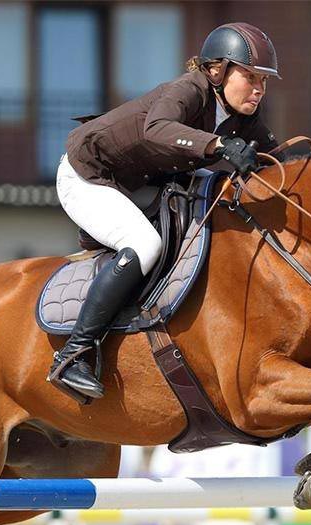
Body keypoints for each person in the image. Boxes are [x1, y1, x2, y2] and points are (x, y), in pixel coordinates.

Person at [49, 22, 283, 401]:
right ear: (217, 70)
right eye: (251, 76)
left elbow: (283, 160)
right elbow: (157, 128)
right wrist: (221, 146)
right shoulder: (189, 89)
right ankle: (73, 354)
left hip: (137, 180)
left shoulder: (243, 118)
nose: (259, 88)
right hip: (87, 174)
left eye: (264, 81)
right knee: (144, 245)